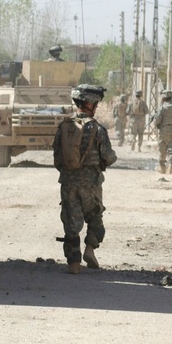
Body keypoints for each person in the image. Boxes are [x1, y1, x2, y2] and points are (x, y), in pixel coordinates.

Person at [52, 84, 118, 275]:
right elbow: (108, 157)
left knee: (71, 222)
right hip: (91, 183)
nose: (96, 107)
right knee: (95, 216)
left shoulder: (64, 127)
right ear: (89, 104)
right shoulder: (97, 129)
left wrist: (69, 173)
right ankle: (89, 250)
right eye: (95, 103)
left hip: (68, 183)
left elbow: (57, 158)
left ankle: (74, 264)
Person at [152, 90, 172, 174]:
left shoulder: (162, 108)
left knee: (162, 150)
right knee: (171, 150)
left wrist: (154, 120)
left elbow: (157, 121)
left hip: (164, 131)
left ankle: (162, 167)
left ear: (163, 98)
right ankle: (170, 166)